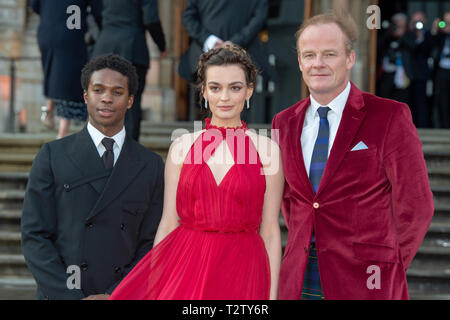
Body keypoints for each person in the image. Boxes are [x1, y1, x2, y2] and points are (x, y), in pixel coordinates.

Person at [271, 11, 434, 300]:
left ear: (349, 59)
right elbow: (291, 202)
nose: (317, 63)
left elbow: (417, 206)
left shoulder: (389, 116)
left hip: (367, 283)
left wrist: (387, 266)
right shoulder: (282, 123)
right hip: (299, 278)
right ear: (299, 61)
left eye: (329, 54)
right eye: (309, 55)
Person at [109, 43, 283, 300]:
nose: (224, 97)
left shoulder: (267, 150)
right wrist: (156, 284)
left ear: (248, 91)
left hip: (244, 268)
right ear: (204, 92)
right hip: (187, 264)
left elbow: (270, 230)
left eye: (235, 88)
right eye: (215, 88)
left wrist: (272, 295)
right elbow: (169, 222)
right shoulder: (182, 146)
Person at [21, 54, 164, 300]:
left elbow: (151, 243)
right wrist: (70, 296)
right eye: (98, 90)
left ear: (130, 100)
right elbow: (35, 236)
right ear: (86, 96)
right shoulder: (52, 156)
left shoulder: (151, 165)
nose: (107, 98)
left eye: (117, 92)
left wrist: (116, 295)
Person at [178, 0, 273, 120]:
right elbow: (188, 17)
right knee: (204, 116)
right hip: (201, 59)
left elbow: (260, 17)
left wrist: (234, 43)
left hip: (245, 57)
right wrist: (212, 41)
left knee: (239, 116)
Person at [93, 0, 168, 141]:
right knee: (131, 105)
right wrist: (162, 45)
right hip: (132, 48)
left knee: (101, 102)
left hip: (104, 46)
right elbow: (151, 19)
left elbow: (94, 12)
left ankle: (99, 153)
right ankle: (128, 156)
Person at [30, 0, 102, 139]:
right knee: (68, 81)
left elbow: (34, 6)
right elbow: (97, 10)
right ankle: (61, 135)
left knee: (53, 73)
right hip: (70, 32)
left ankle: (48, 111)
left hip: (46, 30)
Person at [404, 11, 433, 128]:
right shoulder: (408, 35)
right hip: (407, 74)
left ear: (425, 21)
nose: (417, 24)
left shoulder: (428, 35)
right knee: (408, 102)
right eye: (415, 21)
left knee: (422, 102)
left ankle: (422, 125)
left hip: (421, 75)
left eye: (419, 21)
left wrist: (421, 37)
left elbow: (428, 50)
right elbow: (409, 47)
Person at [377, 13, 413, 106]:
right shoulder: (388, 35)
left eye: (402, 26)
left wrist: (401, 36)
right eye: (398, 25)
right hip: (387, 74)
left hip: (403, 75)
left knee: (401, 103)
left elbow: (413, 47)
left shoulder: (408, 36)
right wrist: (390, 33)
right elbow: (378, 46)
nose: (399, 28)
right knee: (385, 101)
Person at [431, 11, 450, 128]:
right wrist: (435, 29)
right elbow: (431, 46)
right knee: (443, 99)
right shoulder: (441, 36)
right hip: (443, 70)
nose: (447, 24)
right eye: (446, 21)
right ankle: (445, 125)